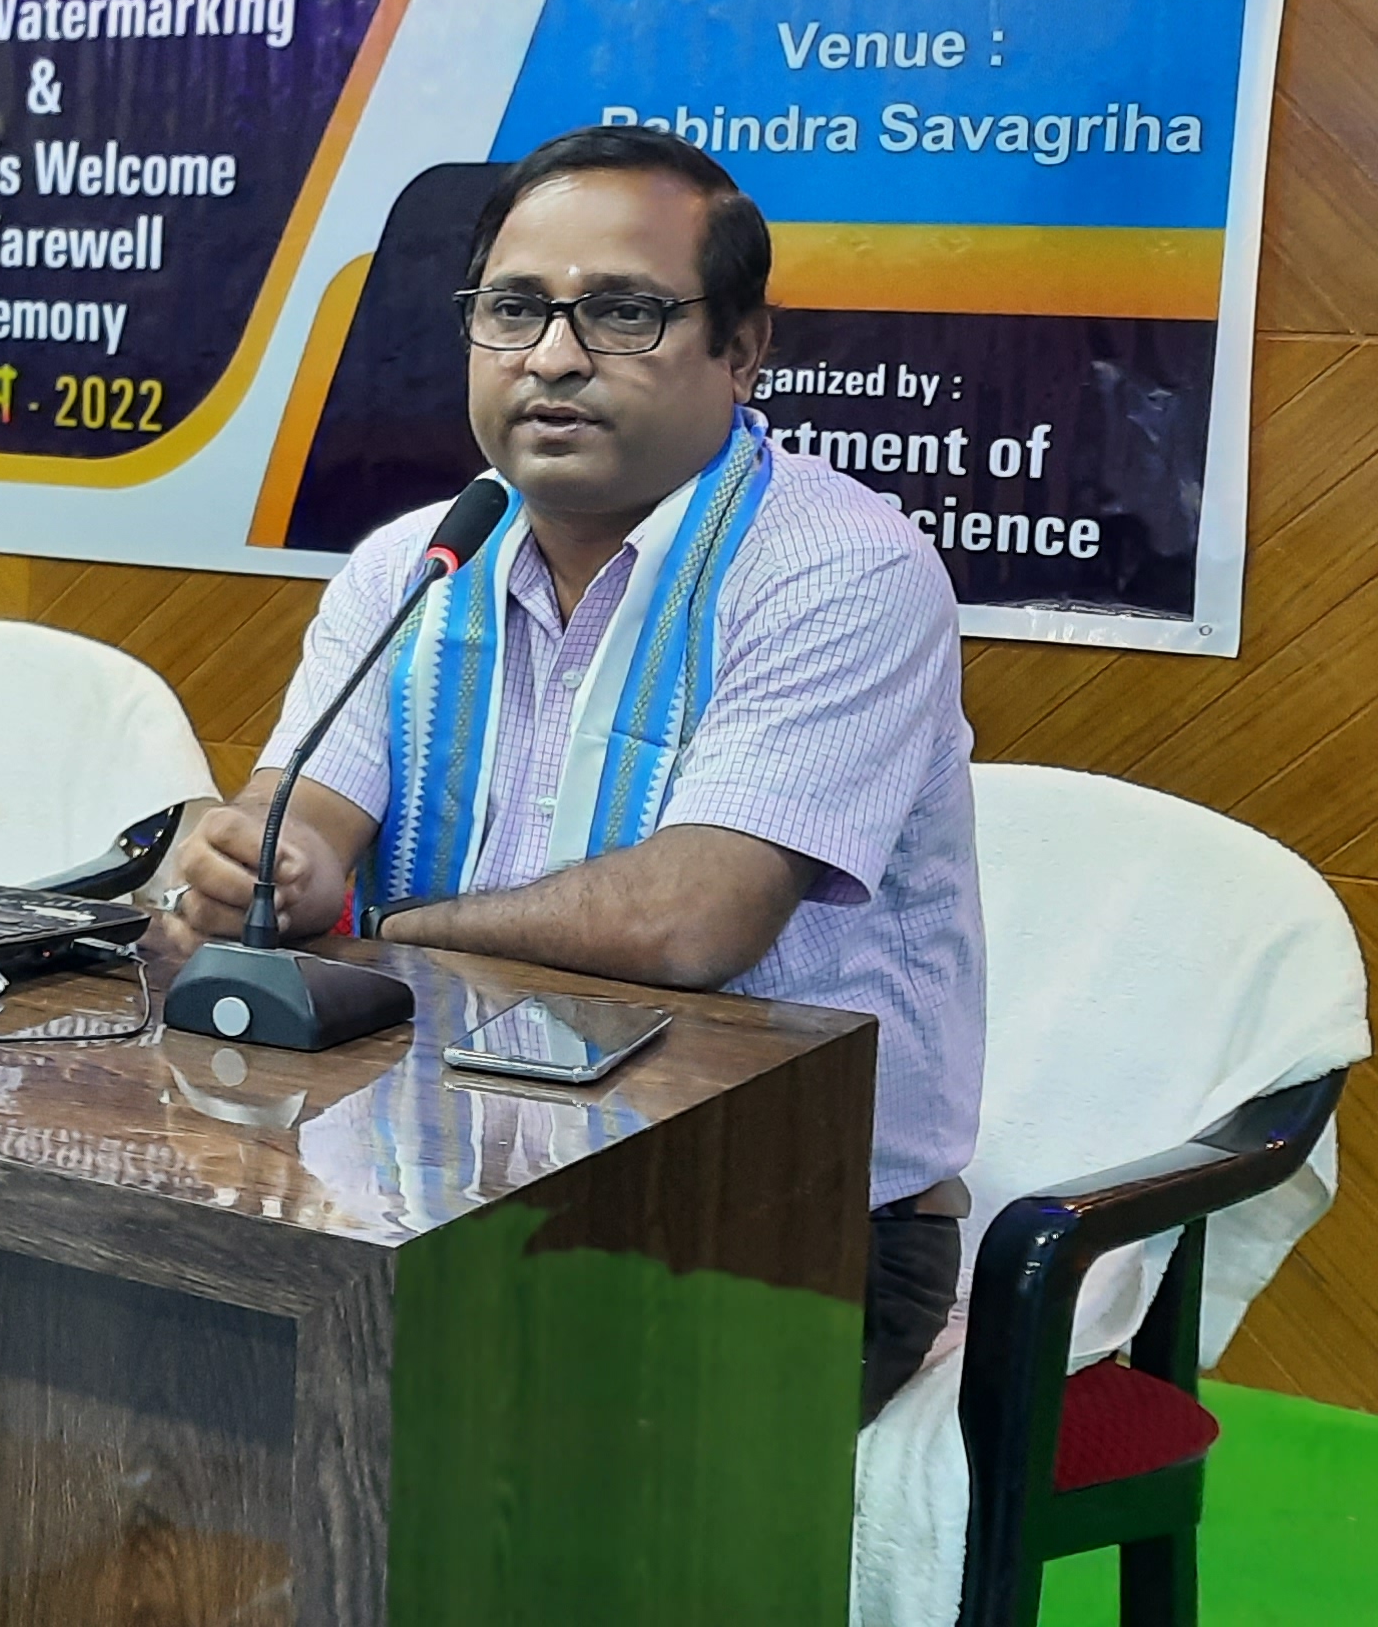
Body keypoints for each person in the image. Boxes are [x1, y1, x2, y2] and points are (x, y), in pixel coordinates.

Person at [147, 124, 982, 1414]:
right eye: (514, 309)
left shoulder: (839, 568)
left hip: (773, 1224)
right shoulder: (414, 562)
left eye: (625, 314)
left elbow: (690, 921)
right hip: (436, 1182)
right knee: (133, 1351)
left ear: (743, 349)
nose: (552, 357)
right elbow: (296, 820)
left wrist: (369, 933)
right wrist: (259, 865)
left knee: (418, 1451)